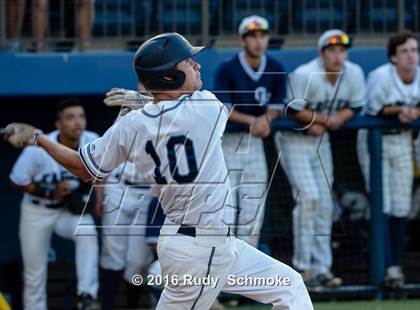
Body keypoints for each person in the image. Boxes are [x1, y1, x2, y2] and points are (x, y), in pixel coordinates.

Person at [4, 32, 313, 310]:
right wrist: (144, 100)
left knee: (290, 288)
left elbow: (84, 168)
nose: (197, 66)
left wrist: (39, 138)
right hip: (199, 248)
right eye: (188, 62)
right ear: (168, 76)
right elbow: (174, 109)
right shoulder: (207, 106)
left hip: (208, 244)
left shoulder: (130, 125)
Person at [274, 29, 366, 289]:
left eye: (342, 50)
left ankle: (321, 267)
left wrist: (336, 119)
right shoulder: (305, 74)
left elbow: (356, 106)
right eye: (332, 50)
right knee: (310, 198)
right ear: (322, 53)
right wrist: (322, 119)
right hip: (294, 141)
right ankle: (302, 267)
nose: (338, 55)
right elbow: (291, 108)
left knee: (325, 203)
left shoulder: (354, 73)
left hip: (320, 140)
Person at [8, 98, 100, 310]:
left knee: (87, 231)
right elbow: (16, 180)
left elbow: (100, 172)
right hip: (37, 210)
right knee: (34, 273)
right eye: (70, 118)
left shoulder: (92, 140)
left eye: (81, 116)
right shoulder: (37, 148)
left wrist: (97, 196)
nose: (78, 122)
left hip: (67, 211)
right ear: (58, 124)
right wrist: (50, 192)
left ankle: (87, 296)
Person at [214, 15, 286, 248]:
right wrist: (253, 121)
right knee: (226, 211)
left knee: (253, 214)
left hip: (254, 144)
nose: (258, 41)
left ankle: (244, 277)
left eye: (262, 36)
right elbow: (222, 109)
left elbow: (277, 106)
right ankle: (222, 275)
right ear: (242, 39)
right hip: (229, 144)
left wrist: (266, 118)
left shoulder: (275, 67)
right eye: (252, 36)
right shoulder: (227, 68)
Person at [357, 31, 420, 289]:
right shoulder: (381, 76)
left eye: (414, 50)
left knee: (401, 206)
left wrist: (414, 112)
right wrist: (400, 111)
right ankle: (384, 266)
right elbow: (373, 110)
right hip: (376, 142)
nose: (411, 56)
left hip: (404, 141)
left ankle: (395, 266)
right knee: (382, 205)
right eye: (405, 51)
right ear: (394, 56)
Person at [99, 161, 154, 310]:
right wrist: (99, 194)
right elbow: (105, 157)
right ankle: (107, 306)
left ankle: (132, 306)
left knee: (139, 262)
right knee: (112, 255)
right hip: (118, 186)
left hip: (149, 192)